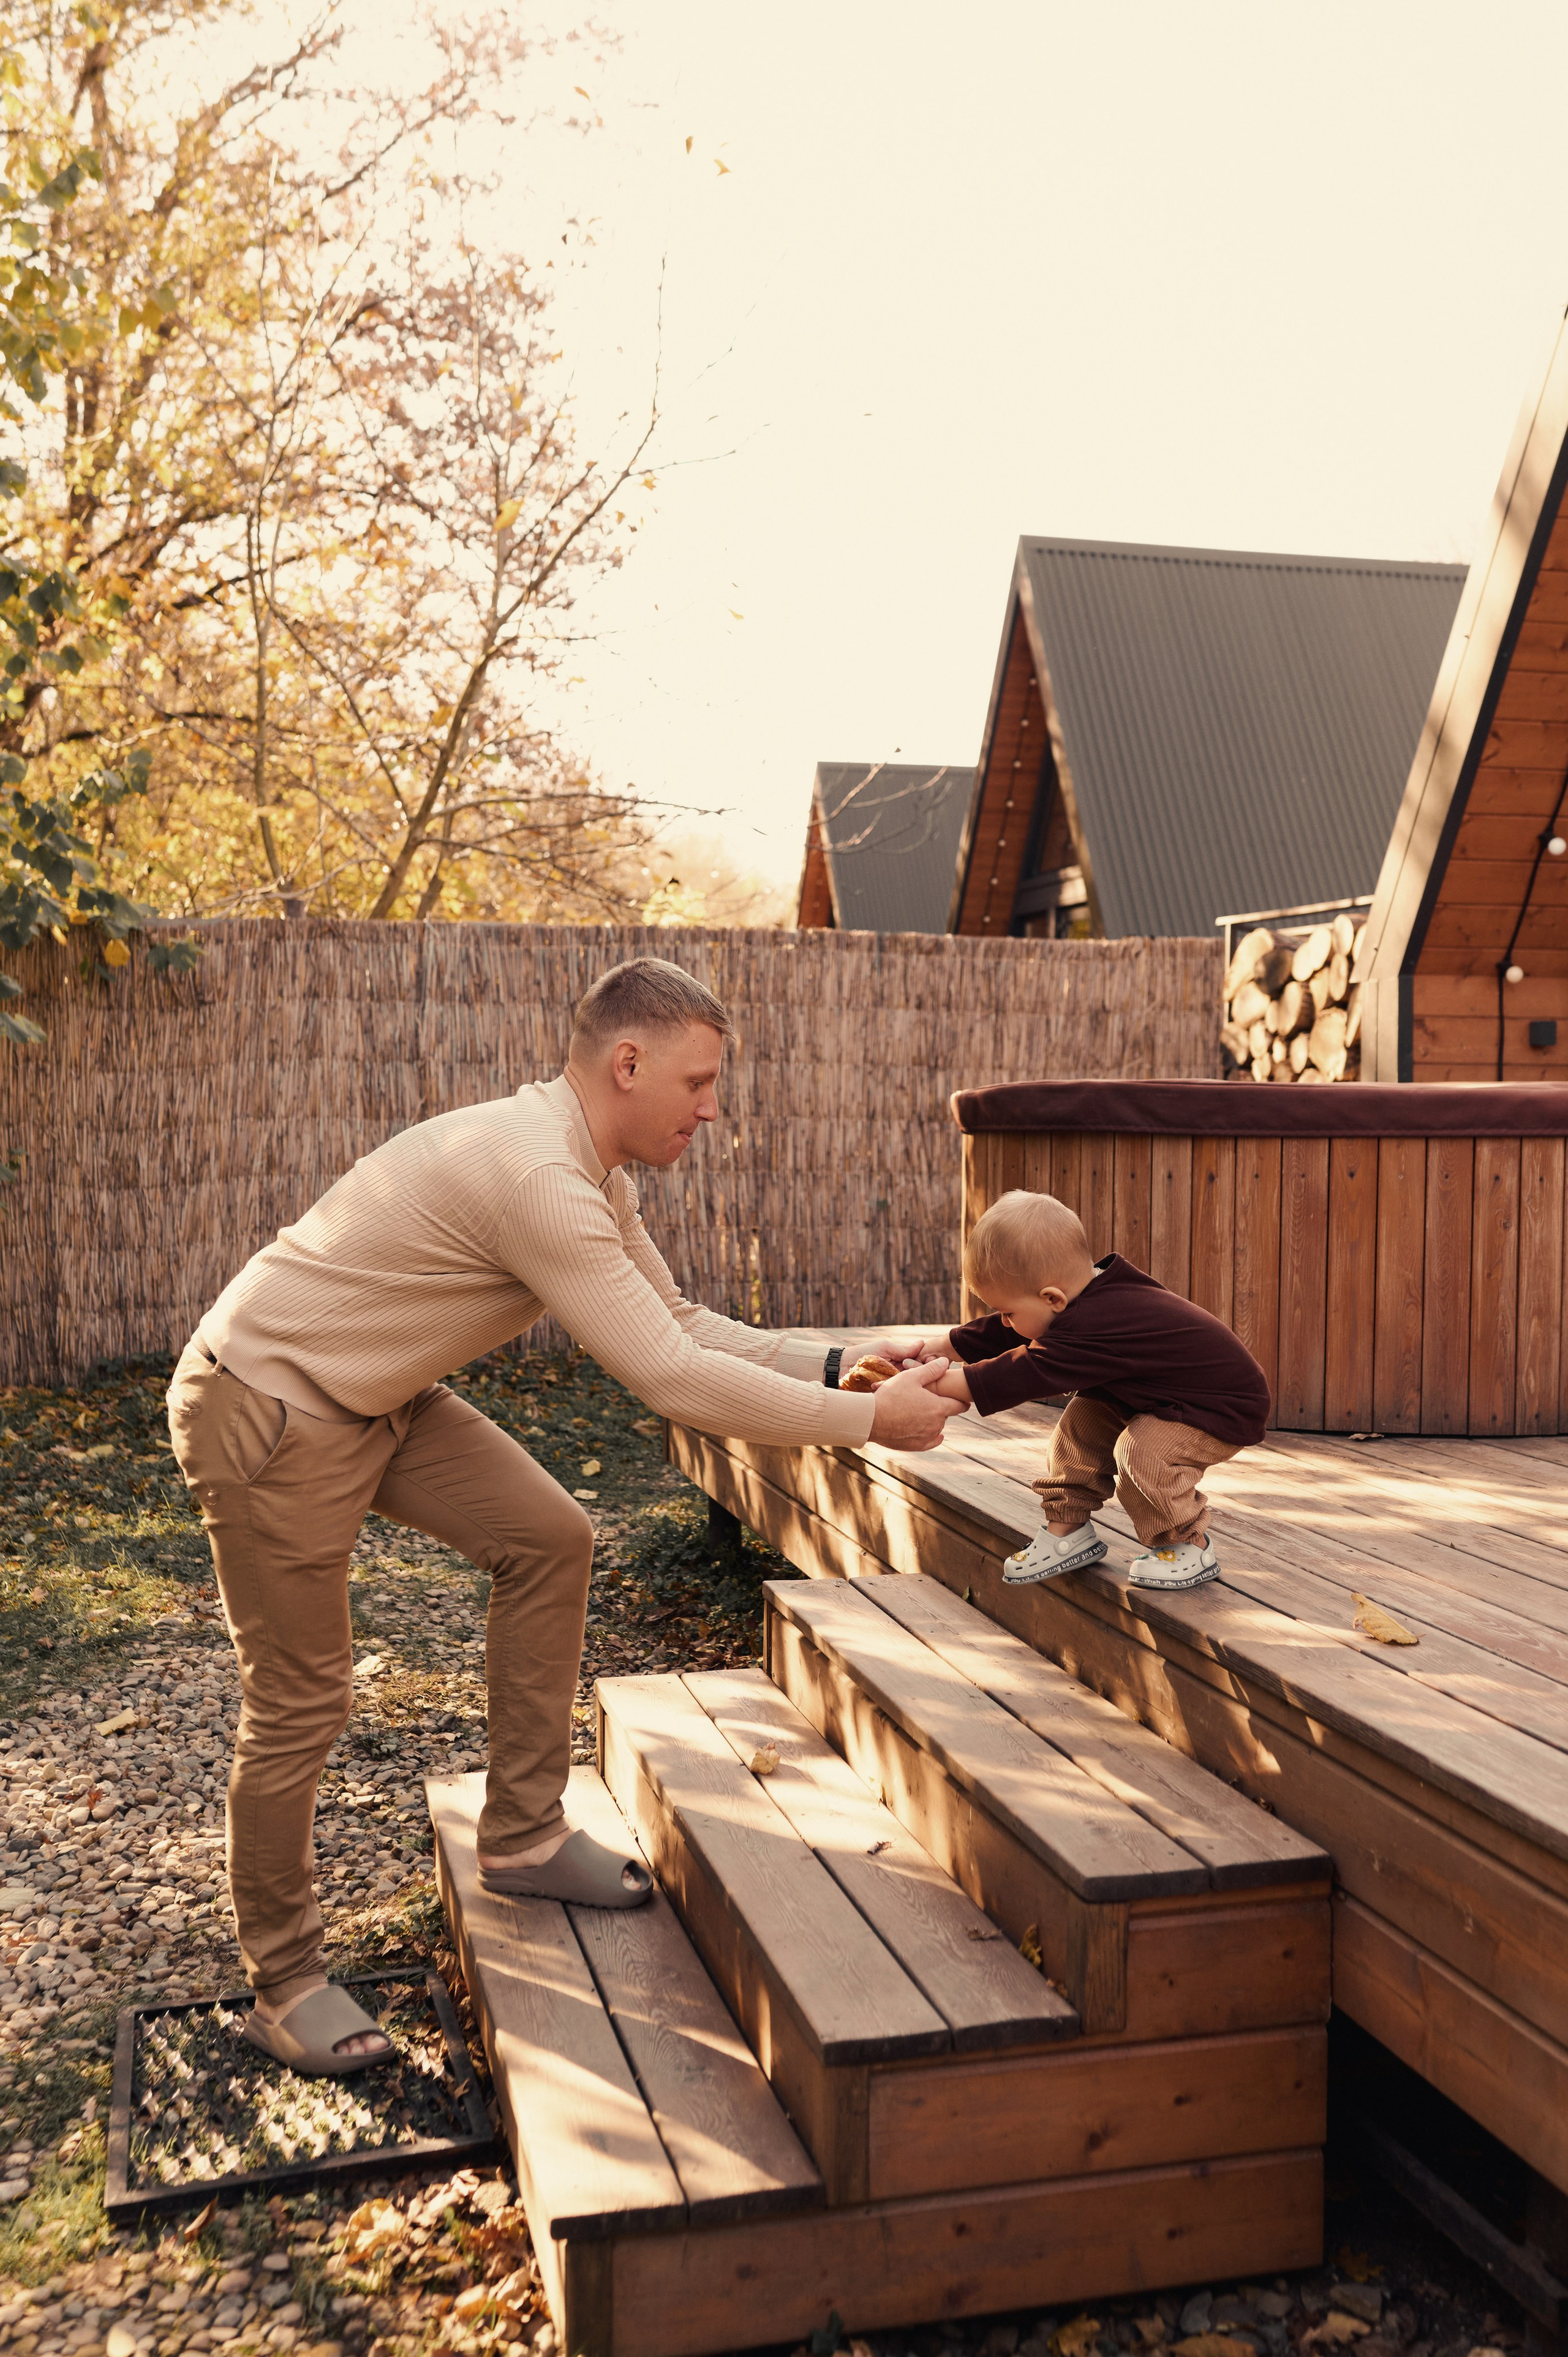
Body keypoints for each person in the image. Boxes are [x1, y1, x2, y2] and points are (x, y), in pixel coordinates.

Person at [167, 957, 962, 2075]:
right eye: (698, 1080)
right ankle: (287, 1980)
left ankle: (527, 1835)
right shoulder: (539, 1177)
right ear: (626, 1064)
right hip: (271, 1406)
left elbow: (683, 1319)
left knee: (550, 1537)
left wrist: (851, 1362)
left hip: (379, 1392)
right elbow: (671, 1376)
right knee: (304, 1694)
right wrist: (867, 1423)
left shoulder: (592, 1172)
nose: (712, 1107)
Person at [923, 1189, 1270, 1593]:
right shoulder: (1080, 1298)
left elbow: (1030, 1370)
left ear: (1052, 1298)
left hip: (1217, 1403)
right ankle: (1068, 1529)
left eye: (1007, 1312)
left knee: (1143, 1454)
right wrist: (943, 1349)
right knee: (1079, 1429)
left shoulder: (1099, 1321)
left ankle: (1187, 1544)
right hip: (1152, 1392)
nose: (1004, 1321)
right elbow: (1007, 1332)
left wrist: (941, 1382)